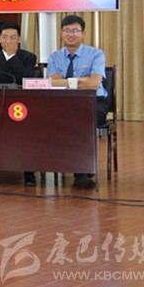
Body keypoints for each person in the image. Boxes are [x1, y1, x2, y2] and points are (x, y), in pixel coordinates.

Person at [47, 14, 108, 187]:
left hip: (93, 101)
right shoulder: (54, 57)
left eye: (75, 31)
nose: (71, 34)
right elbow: (50, 83)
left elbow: (94, 83)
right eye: (67, 31)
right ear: (61, 33)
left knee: (81, 118)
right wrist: (81, 81)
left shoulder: (96, 54)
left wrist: (64, 82)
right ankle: (60, 162)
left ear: (83, 33)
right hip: (64, 102)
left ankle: (81, 165)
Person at [0, 21, 38, 186]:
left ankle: (29, 171)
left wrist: (12, 56)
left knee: (28, 131)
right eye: (5, 37)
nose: (9, 41)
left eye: (13, 38)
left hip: (23, 106)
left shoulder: (29, 57)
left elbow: (26, 79)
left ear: (19, 39)